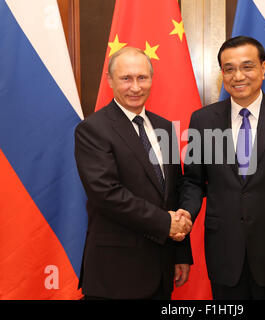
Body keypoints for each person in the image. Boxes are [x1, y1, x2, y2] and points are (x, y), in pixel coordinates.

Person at [180, 36, 265, 299]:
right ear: (222, 73)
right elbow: (193, 181)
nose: (238, 76)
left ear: (263, 68)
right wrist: (185, 215)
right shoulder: (203, 120)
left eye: (247, 66)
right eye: (229, 69)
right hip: (224, 252)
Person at [74, 47, 193, 300]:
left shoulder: (164, 127)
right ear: (109, 80)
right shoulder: (93, 129)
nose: (135, 87)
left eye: (142, 78)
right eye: (126, 78)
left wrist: (180, 252)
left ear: (152, 79)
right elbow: (107, 194)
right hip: (116, 274)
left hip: (161, 270)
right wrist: (166, 224)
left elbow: (173, 191)